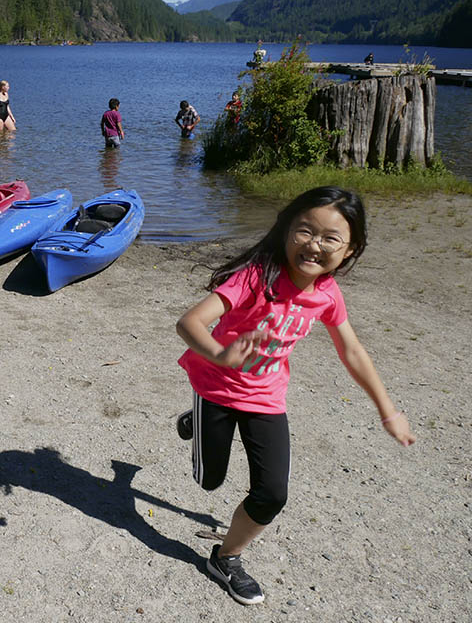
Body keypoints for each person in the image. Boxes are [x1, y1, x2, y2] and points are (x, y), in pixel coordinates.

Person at [174, 186, 415, 606]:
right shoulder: (255, 275)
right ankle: (195, 420)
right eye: (305, 231)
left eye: (330, 238)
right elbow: (190, 321)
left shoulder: (327, 295)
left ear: (350, 248)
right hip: (215, 387)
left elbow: (352, 351)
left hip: (266, 399)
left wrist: (388, 410)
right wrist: (220, 353)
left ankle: (226, 558)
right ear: (287, 229)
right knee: (208, 481)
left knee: (272, 493)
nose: (314, 245)